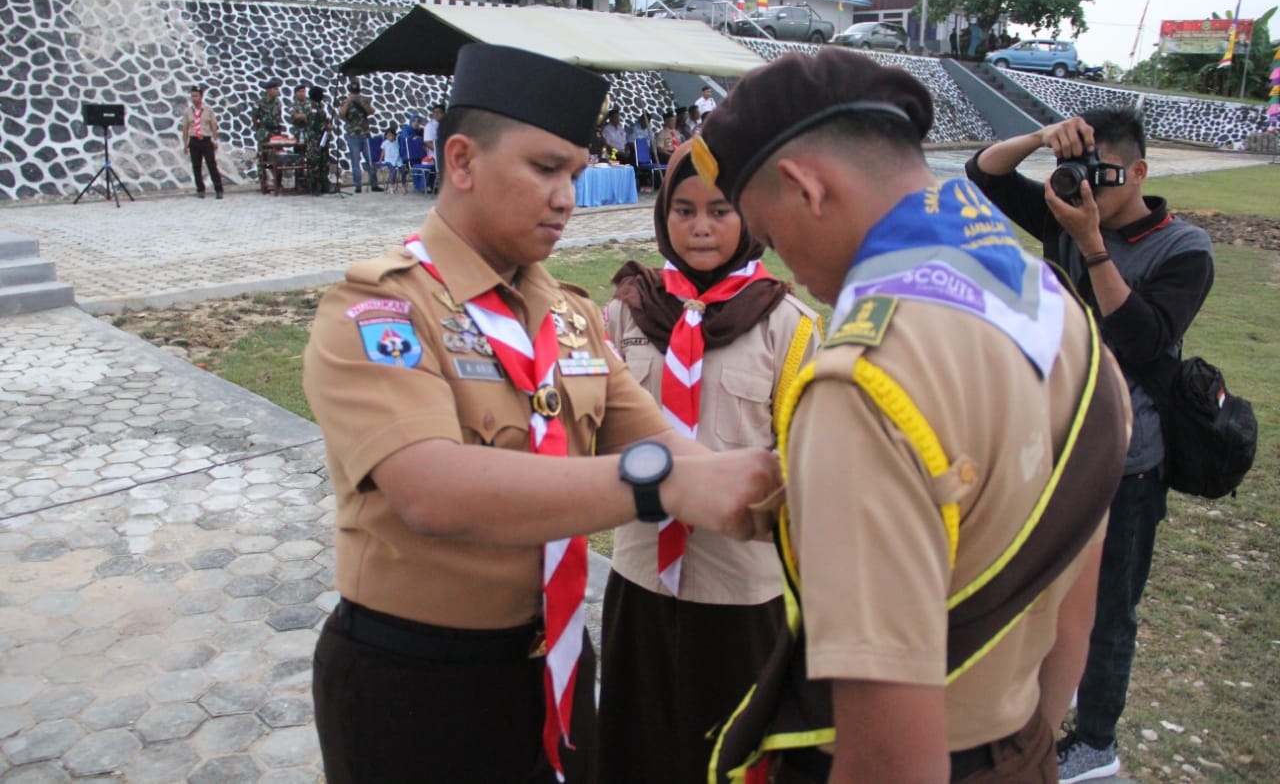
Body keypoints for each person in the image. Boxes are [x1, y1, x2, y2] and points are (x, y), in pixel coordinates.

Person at [301, 43, 783, 784]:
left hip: (554, 658)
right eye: (545, 168)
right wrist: (656, 484)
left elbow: (669, 445)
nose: (566, 197)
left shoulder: (568, 316)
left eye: (577, 175)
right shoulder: (380, 310)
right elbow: (431, 488)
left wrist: (787, 486)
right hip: (418, 680)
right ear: (461, 162)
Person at [694, 49, 1132, 783]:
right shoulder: (1056, 305)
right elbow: (1075, 616)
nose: (781, 267)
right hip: (1024, 745)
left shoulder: (863, 382)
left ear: (805, 187)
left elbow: (888, 759)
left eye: (768, 238)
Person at [966, 109, 1214, 783]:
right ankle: (1051, 692)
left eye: (1103, 174)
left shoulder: (1183, 248)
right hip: (1050, 443)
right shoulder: (1064, 209)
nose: (1085, 185)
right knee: (1046, 586)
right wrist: (1044, 139)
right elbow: (981, 172)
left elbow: (1141, 338)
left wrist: (1093, 244)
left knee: (1111, 608)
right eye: (1078, 169)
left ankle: (1097, 738)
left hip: (1130, 457)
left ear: (1138, 172)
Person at [596, 141, 821, 783]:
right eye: (684, 209)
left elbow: (802, 460)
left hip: (741, 589)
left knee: (730, 752)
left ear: (751, 217)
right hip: (640, 575)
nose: (700, 226)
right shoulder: (623, 313)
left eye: (721, 210)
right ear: (662, 215)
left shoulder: (788, 326)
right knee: (636, 741)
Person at [179, 86, 223, 200]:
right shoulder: (188, 111)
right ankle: (200, 189)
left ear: (201, 96)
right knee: (196, 166)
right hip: (194, 140)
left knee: (211, 165)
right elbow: (185, 128)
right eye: (192, 96)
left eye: (196, 96)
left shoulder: (208, 110)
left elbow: (213, 126)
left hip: (206, 140)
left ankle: (218, 189)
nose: (194, 98)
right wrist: (185, 144)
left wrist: (215, 140)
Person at [339, 81, 381, 193]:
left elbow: (371, 111)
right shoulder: (345, 101)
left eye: (356, 90)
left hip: (365, 134)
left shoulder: (364, 100)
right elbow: (341, 115)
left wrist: (361, 101)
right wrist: (349, 101)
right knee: (355, 161)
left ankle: (374, 184)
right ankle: (358, 185)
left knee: (370, 160)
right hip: (352, 135)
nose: (355, 93)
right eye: (353, 91)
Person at [304, 86, 333, 194]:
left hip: (323, 138)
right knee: (314, 162)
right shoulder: (311, 107)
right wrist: (326, 126)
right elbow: (313, 124)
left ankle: (324, 185)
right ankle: (314, 186)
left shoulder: (319, 106)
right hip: (314, 139)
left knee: (324, 161)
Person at [250, 77, 284, 148]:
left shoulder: (278, 102)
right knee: (263, 154)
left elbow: (279, 115)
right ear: (268, 90)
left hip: (275, 132)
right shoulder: (260, 103)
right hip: (264, 132)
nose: (277, 91)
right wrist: (258, 129)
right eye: (275, 89)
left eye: (277, 89)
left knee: (277, 154)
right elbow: (254, 117)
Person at [375, 125, 404, 190]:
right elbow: (383, 152)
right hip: (388, 160)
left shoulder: (397, 143)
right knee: (393, 170)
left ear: (394, 135)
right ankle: (392, 186)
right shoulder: (385, 143)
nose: (390, 137)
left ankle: (403, 185)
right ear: (386, 136)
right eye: (388, 135)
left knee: (403, 170)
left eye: (391, 135)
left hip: (397, 159)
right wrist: (380, 160)